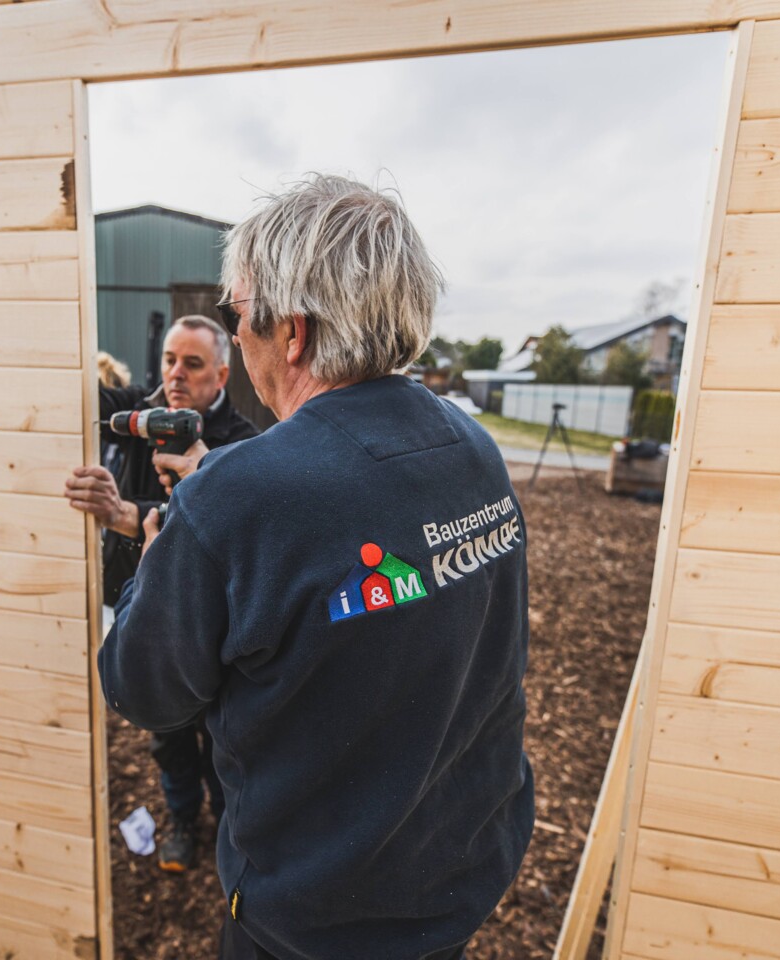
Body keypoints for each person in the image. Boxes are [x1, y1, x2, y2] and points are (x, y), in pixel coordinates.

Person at [99, 175, 534, 960]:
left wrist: (162, 553)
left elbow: (146, 689)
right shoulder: (470, 448)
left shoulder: (233, 500)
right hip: (458, 875)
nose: (237, 339)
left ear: (291, 333)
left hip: (310, 925)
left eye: (239, 315)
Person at [64, 315, 259, 872]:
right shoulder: (137, 409)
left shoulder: (241, 444)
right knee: (167, 734)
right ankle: (180, 824)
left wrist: (128, 515)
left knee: (221, 737)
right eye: (170, 360)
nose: (175, 375)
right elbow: (78, 397)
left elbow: (228, 534)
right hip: (141, 597)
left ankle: (231, 837)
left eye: (192, 365)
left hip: (211, 620)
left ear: (221, 375)